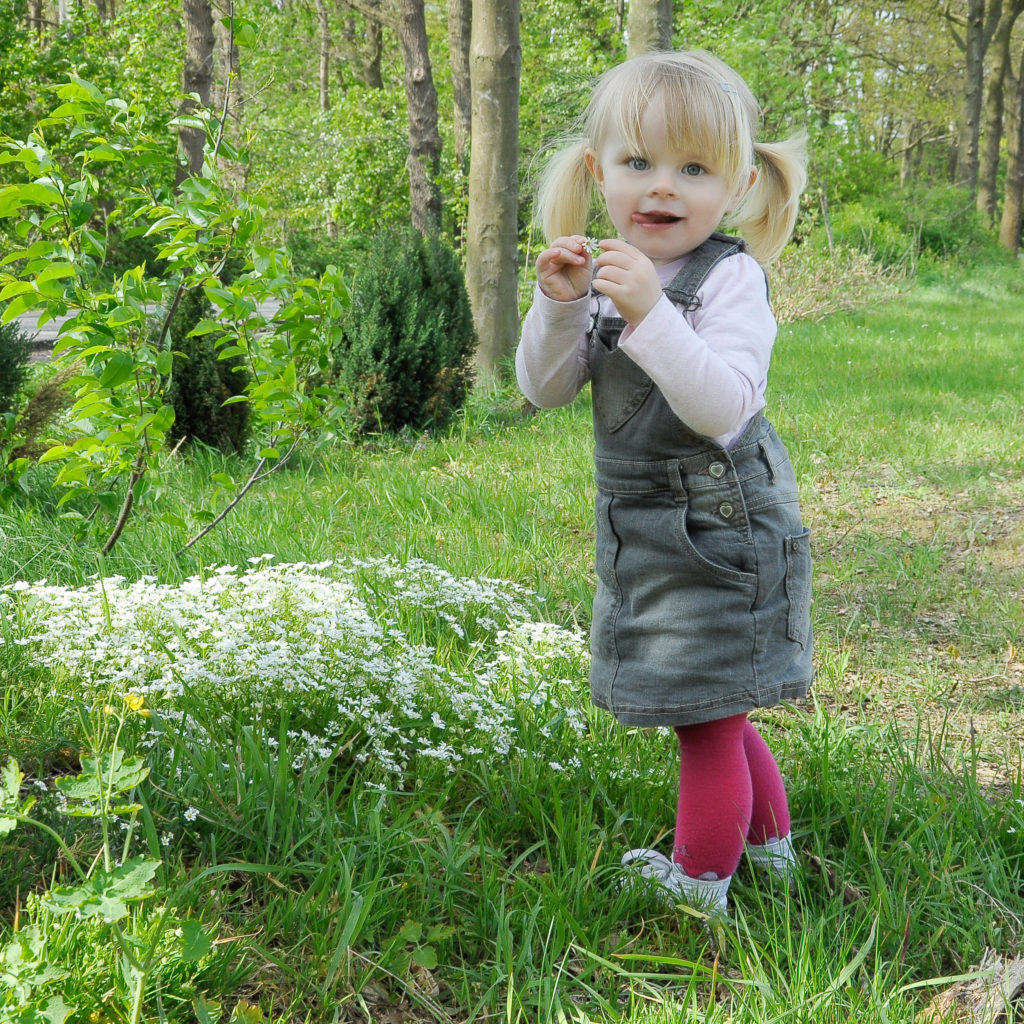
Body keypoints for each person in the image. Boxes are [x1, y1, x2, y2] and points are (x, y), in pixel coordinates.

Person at [517, 49, 812, 915]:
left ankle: (700, 881)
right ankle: (771, 850)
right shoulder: (606, 274)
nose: (662, 188)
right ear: (595, 172)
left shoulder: (730, 279)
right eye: (638, 162)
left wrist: (648, 313)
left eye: (693, 169)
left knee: (705, 716)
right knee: (717, 706)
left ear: (738, 184)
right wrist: (561, 304)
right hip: (644, 524)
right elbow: (545, 389)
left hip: (723, 528)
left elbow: (724, 405)